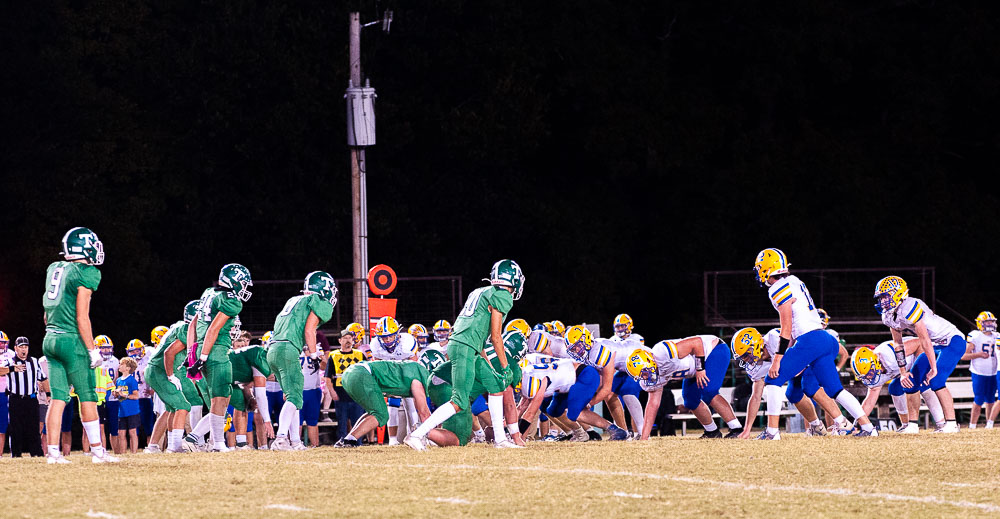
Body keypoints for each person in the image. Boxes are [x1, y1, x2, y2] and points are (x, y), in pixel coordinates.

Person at [753, 248, 875, 439]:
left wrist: (778, 360)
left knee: (773, 379)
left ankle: (772, 431)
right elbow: (793, 327)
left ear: (766, 269)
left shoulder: (776, 288)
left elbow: (786, 327)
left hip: (810, 340)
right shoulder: (794, 281)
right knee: (835, 390)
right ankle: (868, 428)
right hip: (825, 339)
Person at [404, 259, 525, 451]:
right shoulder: (502, 295)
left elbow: (479, 335)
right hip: (465, 348)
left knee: (495, 384)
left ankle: (501, 440)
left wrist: (492, 367)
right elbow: (495, 337)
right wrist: (505, 366)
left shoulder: (480, 291)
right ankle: (418, 434)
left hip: (464, 345)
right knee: (459, 400)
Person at [42, 227, 118, 463]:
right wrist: (91, 349)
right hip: (72, 340)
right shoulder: (86, 272)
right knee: (87, 395)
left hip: (50, 338)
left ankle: (53, 454)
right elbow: (82, 316)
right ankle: (97, 452)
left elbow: (47, 313)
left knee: (58, 398)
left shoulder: (55, 268)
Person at [874, 275, 964, 433]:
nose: (883, 301)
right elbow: (898, 344)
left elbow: (924, 340)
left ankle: (951, 424)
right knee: (910, 381)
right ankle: (912, 425)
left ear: (899, 293)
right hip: (936, 345)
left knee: (936, 380)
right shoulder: (888, 315)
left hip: (952, 340)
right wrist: (903, 373)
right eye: (881, 298)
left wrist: (934, 367)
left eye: (886, 296)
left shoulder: (910, 306)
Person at [185, 263, 253, 452]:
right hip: (215, 351)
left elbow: (193, 324)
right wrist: (204, 357)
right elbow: (214, 329)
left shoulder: (209, 292)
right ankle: (217, 444)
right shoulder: (231, 301)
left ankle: (213, 442)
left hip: (202, 348)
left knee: (222, 397)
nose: (245, 288)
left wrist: (193, 352)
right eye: (243, 283)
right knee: (220, 397)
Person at [267, 271, 337, 451]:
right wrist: (314, 355)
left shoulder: (293, 300)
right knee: (295, 396)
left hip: (274, 348)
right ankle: (281, 438)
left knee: (292, 396)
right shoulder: (318, 301)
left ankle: (296, 441)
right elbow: (309, 330)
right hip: (287, 349)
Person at [335, 360, 432, 447]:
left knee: (374, 412)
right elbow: (423, 412)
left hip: (350, 374)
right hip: (360, 374)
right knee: (381, 415)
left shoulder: (413, 370)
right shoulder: (418, 376)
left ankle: (348, 439)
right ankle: (348, 441)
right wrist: (436, 435)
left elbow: (420, 409)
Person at [145, 301, 200, 453]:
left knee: (171, 409)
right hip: (160, 371)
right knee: (183, 406)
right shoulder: (185, 329)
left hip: (156, 370)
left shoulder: (179, 326)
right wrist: (170, 375)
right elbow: (168, 353)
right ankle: (175, 447)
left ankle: (154, 446)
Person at [852, 339, 923, 431]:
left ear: (875, 363)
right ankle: (906, 425)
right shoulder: (875, 374)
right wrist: (857, 424)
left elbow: (919, 343)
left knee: (915, 383)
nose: (868, 378)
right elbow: (869, 402)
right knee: (894, 388)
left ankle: (938, 423)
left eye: (869, 373)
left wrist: (917, 370)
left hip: (928, 352)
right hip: (906, 370)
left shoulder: (889, 354)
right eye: (864, 376)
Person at [369, 316, 419, 444]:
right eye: (384, 337)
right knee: (392, 406)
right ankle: (392, 439)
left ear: (397, 334)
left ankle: (413, 435)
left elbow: (414, 365)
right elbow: (377, 366)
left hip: (406, 375)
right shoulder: (375, 345)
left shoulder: (407, 342)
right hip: (389, 377)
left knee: (410, 405)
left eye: (390, 336)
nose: (387, 340)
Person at [5, 337, 47, 457]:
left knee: (33, 428)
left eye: (26, 347)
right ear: (15, 348)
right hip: (16, 399)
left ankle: (36, 454)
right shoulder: (10, 361)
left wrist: (48, 394)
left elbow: (43, 378)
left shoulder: (34, 361)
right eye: (21, 347)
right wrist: (12, 369)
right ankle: (16, 454)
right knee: (15, 428)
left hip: (31, 399)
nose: (24, 349)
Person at [325, 330, 365, 443]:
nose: (348, 340)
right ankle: (342, 441)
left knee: (357, 421)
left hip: (357, 394)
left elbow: (367, 374)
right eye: (345, 338)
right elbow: (327, 377)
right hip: (340, 393)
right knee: (341, 421)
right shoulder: (334, 356)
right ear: (339, 340)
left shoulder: (360, 355)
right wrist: (332, 392)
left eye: (350, 338)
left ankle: (358, 442)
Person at [964, 311, 998, 429]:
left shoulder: (996, 336)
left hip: (993, 372)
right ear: (980, 323)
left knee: (990, 400)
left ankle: (989, 425)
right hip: (979, 372)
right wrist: (978, 354)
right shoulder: (975, 336)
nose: (989, 323)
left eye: (991, 321)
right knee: (978, 399)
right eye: (987, 321)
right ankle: (972, 426)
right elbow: (964, 356)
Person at [93, 335, 121, 453]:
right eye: (103, 348)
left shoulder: (115, 360)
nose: (106, 350)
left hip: (112, 397)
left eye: (108, 348)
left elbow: (116, 378)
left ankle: (117, 451)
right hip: (100, 397)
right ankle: (102, 449)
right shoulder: (94, 361)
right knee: (100, 426)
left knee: (114, 428)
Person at [114, 357, 141, 453]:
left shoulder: (131, 380)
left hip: (132, 410)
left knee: (132, 432)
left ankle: (133, 453)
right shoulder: (118, 380)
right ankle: (123, 453)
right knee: (121, 433)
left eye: (122, 364)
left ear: (128, 368)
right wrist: (116, 394)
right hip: (122, 411)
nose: (119, 366)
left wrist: (124, 395)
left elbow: (136, 396)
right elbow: (119, 396)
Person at [0, 331, 13, 456]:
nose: (1, 345)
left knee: (6, 425)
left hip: (7, 392)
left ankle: (3, 453)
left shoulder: (12, 355)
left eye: (3, 343)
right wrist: (10, 369)